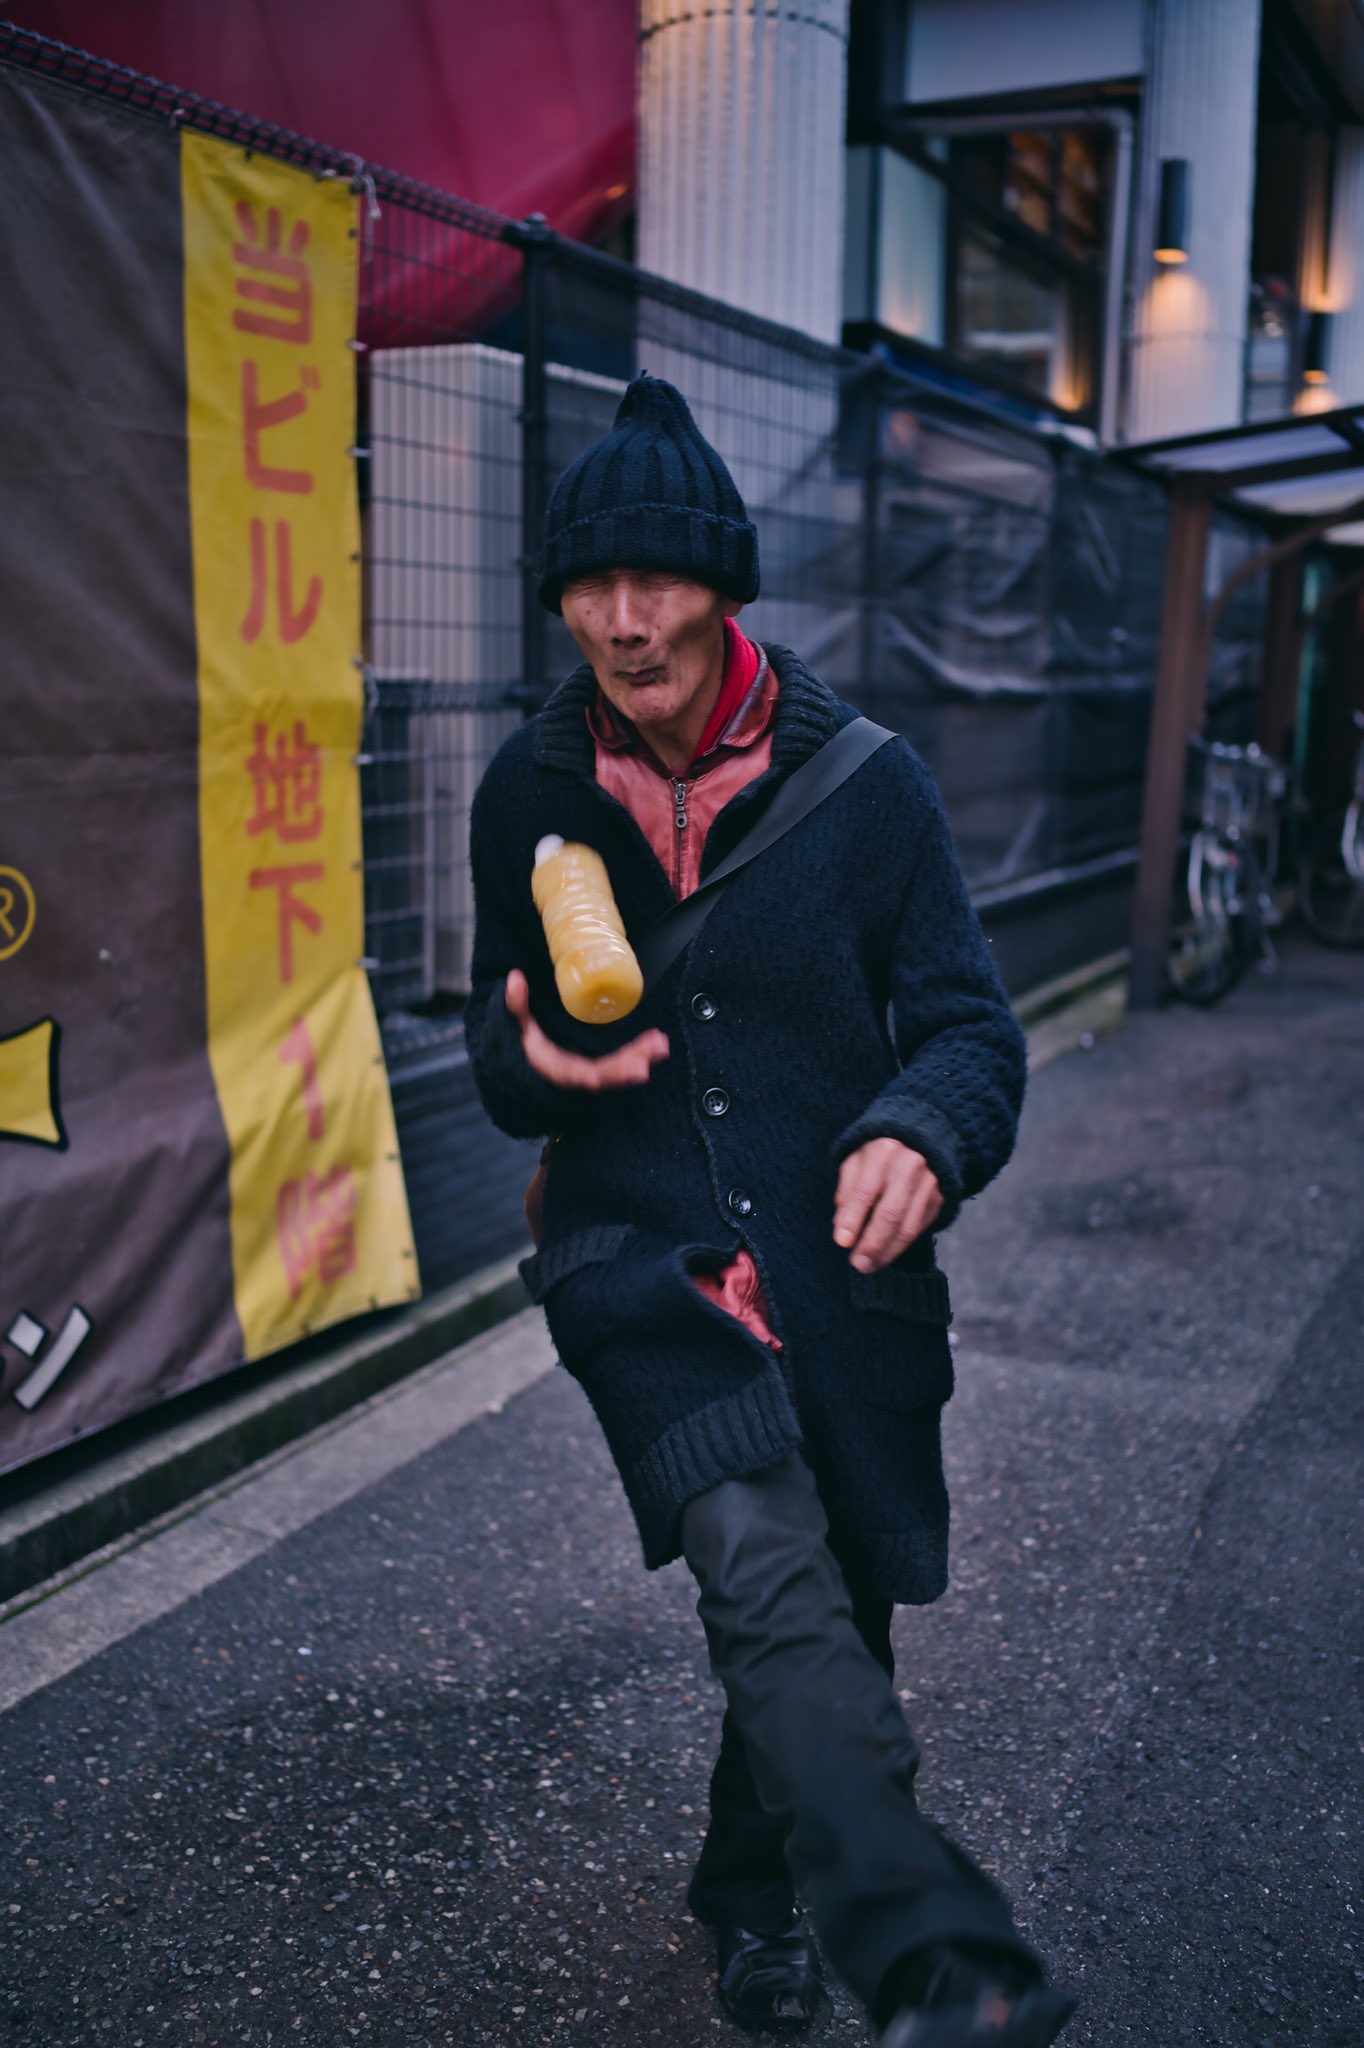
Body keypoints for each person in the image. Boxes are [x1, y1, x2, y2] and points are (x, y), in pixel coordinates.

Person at [464, 373, 1074, 2048]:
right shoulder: (528, 791)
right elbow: (493, 1039)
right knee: (755, 1543)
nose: (624, 620)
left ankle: (751, 1886)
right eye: (591, 586)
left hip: (836, 1261)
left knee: (839, 1597)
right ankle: (930, 1947)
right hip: (634, 1254)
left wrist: (922, 1136)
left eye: (657, 580)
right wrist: (526, 1057)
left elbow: (970, 1031)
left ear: (724, 588)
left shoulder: (870, 787)